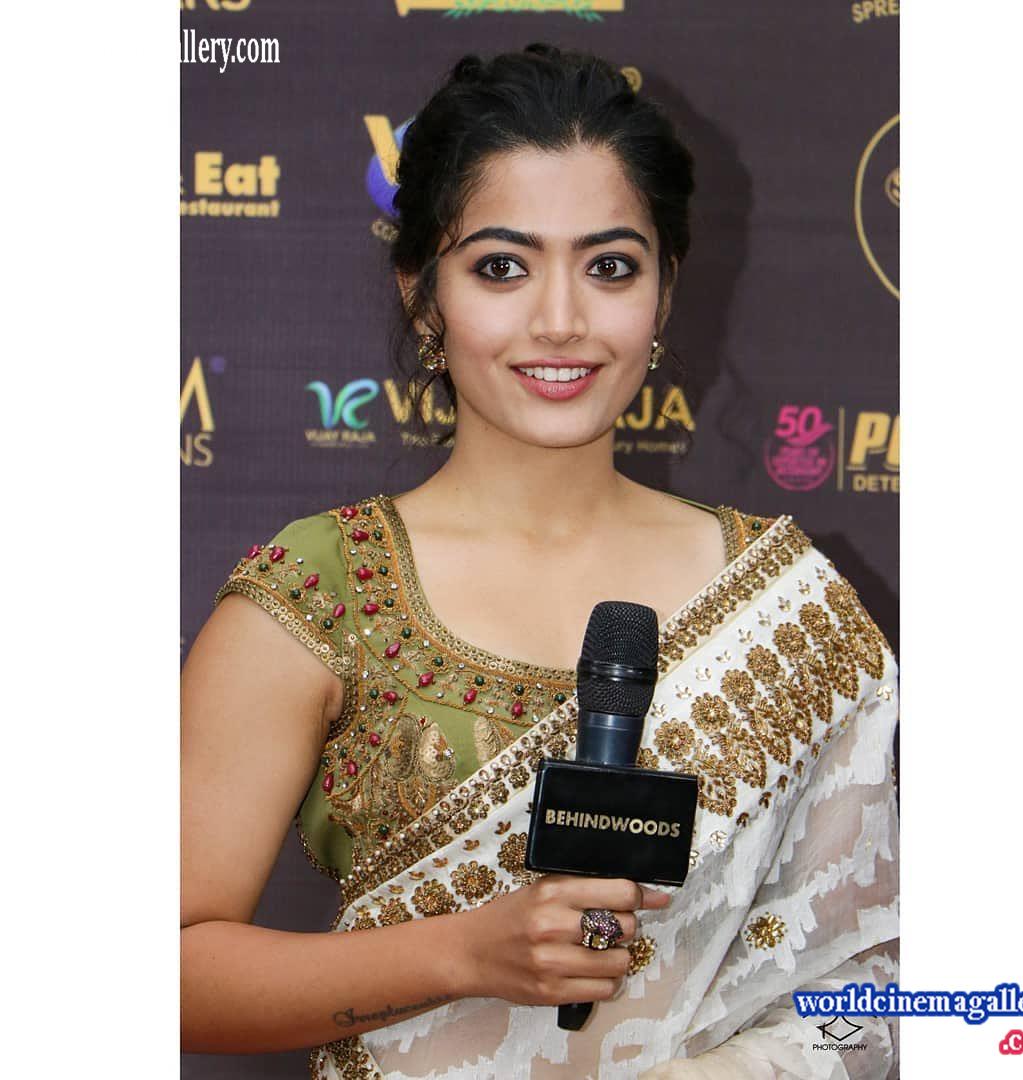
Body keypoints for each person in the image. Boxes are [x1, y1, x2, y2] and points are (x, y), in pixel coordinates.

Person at [181, 44, 899, 1078]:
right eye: (501, 267)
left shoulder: (791, 606)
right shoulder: (322, 594)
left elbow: (868, 988)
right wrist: (462, 953)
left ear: (663, 294)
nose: (560, 321)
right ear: (423, 294)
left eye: (610, 267)